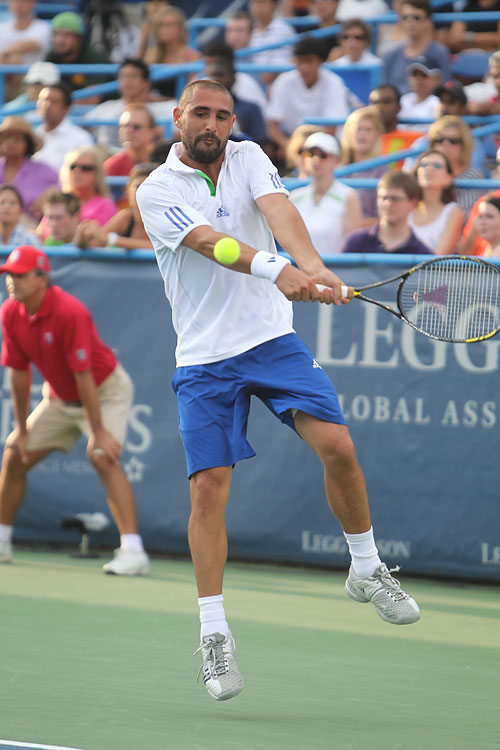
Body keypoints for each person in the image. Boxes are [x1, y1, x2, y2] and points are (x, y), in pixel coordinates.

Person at [136, 79, 420, 703]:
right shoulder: (155, 190)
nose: (212, 125)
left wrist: (311, 266)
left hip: (270, 340)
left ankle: (366, 567)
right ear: (178, 117)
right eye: (201, 114)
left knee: (338, 447)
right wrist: (276, 269)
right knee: (209, 490)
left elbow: (279, 212)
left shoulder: (249, 156)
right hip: (204, 358)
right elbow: (207, 242)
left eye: (223, 116)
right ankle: (214, 632)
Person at [0, 245, 150, 575]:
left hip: (105, 392)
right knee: (14, 453)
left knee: (102, 456)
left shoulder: (70, 312)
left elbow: (84, 376)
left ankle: (133, 551)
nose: (13, 281)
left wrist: (98, 432)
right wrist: (22, 431)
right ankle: (2, 540)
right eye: (9, 275)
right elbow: (18, 372)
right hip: (59, 400)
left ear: (42, 278)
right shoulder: (10, 312)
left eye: (20, 276)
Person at [266, 36, 351, 161]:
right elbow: (272, 125)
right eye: (301, 61)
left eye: (310, 61)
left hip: (325, 148)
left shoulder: (334, 83)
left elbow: (331, 128)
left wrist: (308, 151)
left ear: (321, 61)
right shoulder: (283, 82)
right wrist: (288, 146)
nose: (304, 67)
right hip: (291, 144)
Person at [289, 131, 362, 255]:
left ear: (335, 160)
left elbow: (352, 244)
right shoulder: (295, 197)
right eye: (310, 154)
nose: (316, 159)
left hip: (335, 265)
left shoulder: (349, 196)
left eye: (323, 155)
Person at [83, 59, 177, 152]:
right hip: (108, 158)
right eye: (123, 76)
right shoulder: (106, 108)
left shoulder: (166, 109)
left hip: (151, 158)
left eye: (133, 76)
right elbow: (81, 126)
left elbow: (180, 134)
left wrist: (160, 132)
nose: (127, 80)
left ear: (146, 83)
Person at [340, 170, 432, 254]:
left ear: (413, 204)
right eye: (383, 198)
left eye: (395, 199)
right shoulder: (355, 242)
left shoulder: (422, 253)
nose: (388, 203)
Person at [73, 163, 154, 251]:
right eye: (139, 186)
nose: (143, 193)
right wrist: (83, 238)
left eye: (150, 188)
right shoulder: (126, 217)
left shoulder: (163, 217)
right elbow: (95, 243)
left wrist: (111, 239)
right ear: (127, 190)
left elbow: (159, 247)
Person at [382, 0, 451, 95]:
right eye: (405, 17)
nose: (410, 22)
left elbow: (445, 88)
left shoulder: (440, 53)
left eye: (416, 18)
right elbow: (384, 92)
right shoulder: (390, 55)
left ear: (428, 21)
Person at [0, 116, 60, 222]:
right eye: (7, 137)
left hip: (31, 227)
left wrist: (49, 195)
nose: (11, 142)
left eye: (17, 139)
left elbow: (61, 187)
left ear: (28, 144)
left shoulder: (42, 170)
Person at [427, 115, 485, 217]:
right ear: (432, 144)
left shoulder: (472, 176)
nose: (445, 144)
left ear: (464, 146)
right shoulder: (424, 170)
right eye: (439, 139)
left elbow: (463, 217)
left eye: (453, 141)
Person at [340, 106, 390, 223]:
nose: (362, 134)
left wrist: (354, 226)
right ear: (348, 133)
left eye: (368, 129)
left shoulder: (384, 172)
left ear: (377, 135)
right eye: (358, 129)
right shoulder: (335, 167)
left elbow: (384, 218)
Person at [409, 150, 464, 253]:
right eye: (424, 165)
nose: (429, 168)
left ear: (448, 178)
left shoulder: (453, 211)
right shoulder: (405, 207)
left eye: (437, 166)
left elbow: (439, 257)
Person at [45, 11, 111, 97]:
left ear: (79, 39)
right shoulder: (52, 56)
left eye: (67, 35)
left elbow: (93, 97)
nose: (59, 40)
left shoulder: (95, 57)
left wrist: (60, 102)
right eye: (56, 34)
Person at [33, 83, 95, 173]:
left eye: (54, 102)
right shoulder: (31, 137)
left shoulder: (81, 138)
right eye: (44, 100)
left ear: (66, 108)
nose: (47, 105)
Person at [203, 58, 267, 145]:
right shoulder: (199, 109)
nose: (216, 80)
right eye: (213, 76)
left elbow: (261, 143)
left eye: (220, 75)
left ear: (233, 78)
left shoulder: (251, 109)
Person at [144, 5, 201, 100]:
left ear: (180, 28)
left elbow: (193, 94)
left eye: (170, 24)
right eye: (160, 25)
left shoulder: (191, 56)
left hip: (178, 105)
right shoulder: (151, 54)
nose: (164, 29)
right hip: (152, 105)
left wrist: (162, 100)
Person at [0, 0, 52, 101]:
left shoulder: (43, 27)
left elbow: (31, 45)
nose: (18, 4)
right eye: (15, 1)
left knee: (14, 59)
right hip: (6, 82)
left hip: (34, 82)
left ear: (33, 3)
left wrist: (5, 53)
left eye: (23, 1)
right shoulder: (2, 27)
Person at [368, 84, 422, 165]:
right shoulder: (359, 139)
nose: (379, 107)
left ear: (399, 107)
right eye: (374, 102)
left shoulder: (417, 140)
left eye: (386, 102)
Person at [247, 0, 296, 86]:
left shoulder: (283, 29)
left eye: (261, 2)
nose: (257, 6)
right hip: (253, 82)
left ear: (274, 5)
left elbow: (281, 62)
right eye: (253, 2)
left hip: (278, 83)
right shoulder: (250, 30)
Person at [398, 56, 441, 129]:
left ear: (437, 79)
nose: (419, 79)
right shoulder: (403, 100)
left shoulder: (439, 103)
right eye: (414, 75)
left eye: (424, 75)